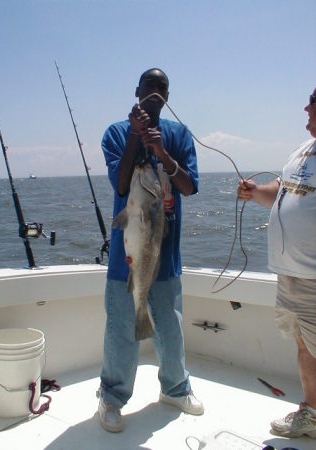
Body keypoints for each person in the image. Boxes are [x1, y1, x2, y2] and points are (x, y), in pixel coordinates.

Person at [97, 68, 204, 433]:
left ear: (167, 97)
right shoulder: (115, 133)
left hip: (165, 256)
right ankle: (111, 398)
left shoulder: (179, 135)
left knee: (171, 330)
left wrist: (161, 151)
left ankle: (176, 388)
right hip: (126, 259)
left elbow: (188, 187)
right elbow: (122, 182)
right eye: (150, 86)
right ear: (137, 92)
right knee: (122, 331)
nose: (156, 91)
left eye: (162, 87)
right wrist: (134, 136)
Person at [238, 89, 316, 439]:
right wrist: (256, 191)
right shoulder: (302, 151)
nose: (306, 106)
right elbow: (283, 192)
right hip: (291, 275)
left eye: (313, 100)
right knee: (304, 345)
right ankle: (312, 413)